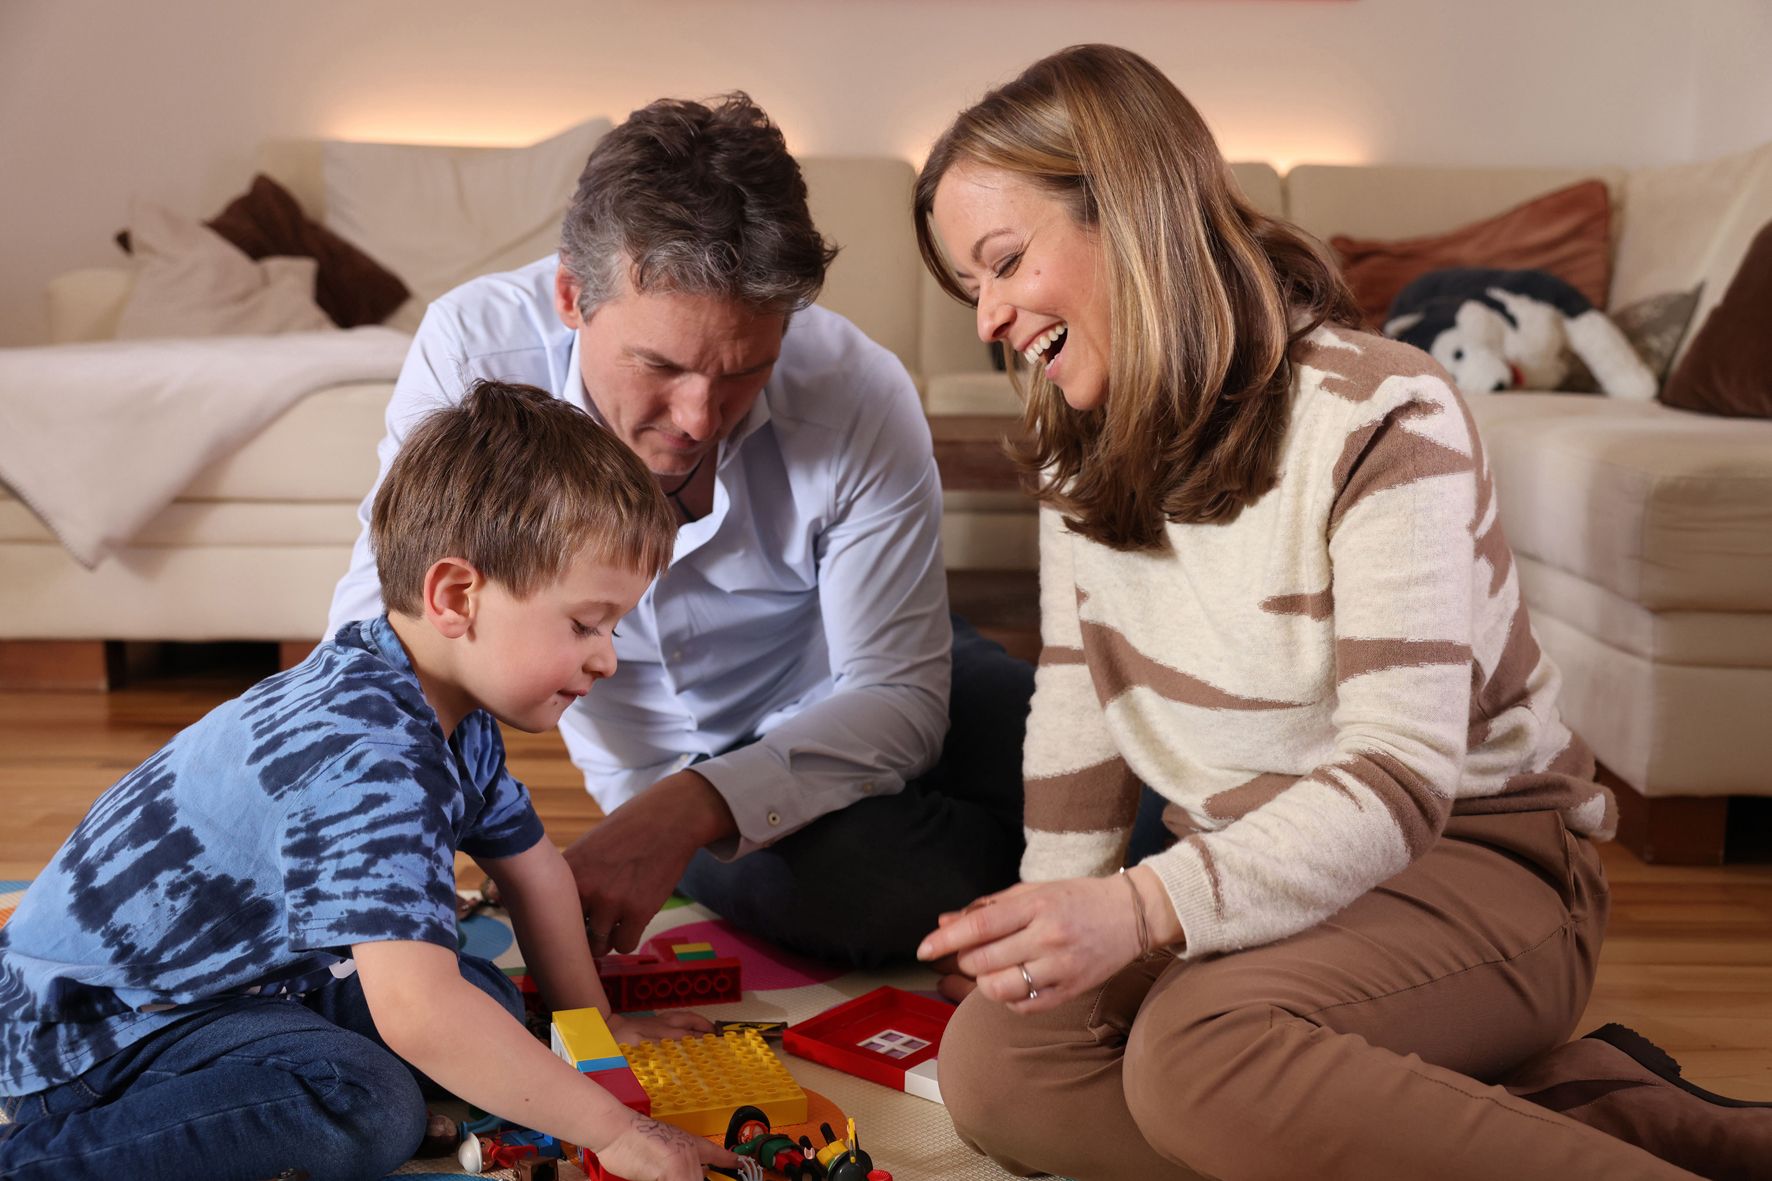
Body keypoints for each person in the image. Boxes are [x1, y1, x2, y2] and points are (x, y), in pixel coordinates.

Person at [912, 44, 1770, 1181]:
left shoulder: (1379, 408)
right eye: (969, 287)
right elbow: (1075, 705)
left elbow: (1400, 773)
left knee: (1196, 1059)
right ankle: (1563, 1109)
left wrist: (1139, 906)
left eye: (1004, 262)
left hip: (1475, 861)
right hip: (1261, 872)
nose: (989, 318)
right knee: (996, 1068)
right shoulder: (1080, 453)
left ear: (1128, 208)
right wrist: (1048, 914)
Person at [328, 93, 1033, 967]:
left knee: (1121, 777)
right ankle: (1051, 898)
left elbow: (899, 694)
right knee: (871, 890)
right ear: (570, 297)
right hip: (681, 771)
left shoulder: (858, 389)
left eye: (745, 371)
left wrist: (683, 810)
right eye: (660, 366)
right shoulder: (474, 356)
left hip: (875, 675)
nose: (699, 418)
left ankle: (1060, 893)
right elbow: (383, 632)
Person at [0, 383, 738, 1181]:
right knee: (366, 1099)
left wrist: (595, 1034)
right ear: (456, 597)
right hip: (91, 1035)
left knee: (482, 997)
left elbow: (538, 876)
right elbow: (417, 1015)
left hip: (234, 988)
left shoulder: (442, 705)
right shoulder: (364, 751)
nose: (608, 656)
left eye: (615, 627)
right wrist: (617, 1131)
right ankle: (38, 1162)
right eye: (585, 623)